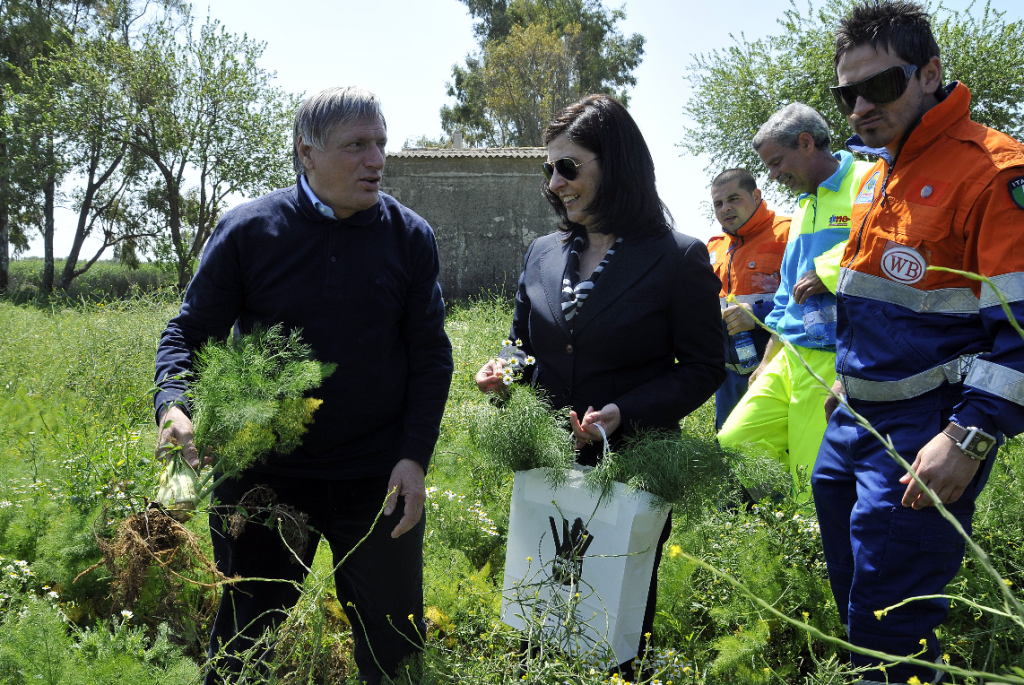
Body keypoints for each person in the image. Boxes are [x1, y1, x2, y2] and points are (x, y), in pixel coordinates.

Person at [152, 86, 454, 685]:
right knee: (243, 646)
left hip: (375, 480)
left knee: (393, 651)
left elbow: (430, 357)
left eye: (380, 145)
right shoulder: (249, 231)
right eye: (357, 146)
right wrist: (174, 404)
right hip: (264, 478)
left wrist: (413, 458)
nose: (376, 161)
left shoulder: (409, 236)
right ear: (306, 153)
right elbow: (188, 331)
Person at [475, 94, 725, 673]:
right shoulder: (542, 252)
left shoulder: (678, 258)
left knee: (614, 617)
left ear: (615, 165)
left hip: (630, 467)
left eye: (569, 167)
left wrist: (624, 412)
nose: (554, 183)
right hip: (543, 458)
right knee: (538, 608)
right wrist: (502, 371)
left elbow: (705, 368)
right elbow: (521, 344)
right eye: (548, 169)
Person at [813, 2, 1024, 682]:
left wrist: (971, 435)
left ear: (930, 73)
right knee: (856, 605)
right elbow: (885, 304)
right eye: (846, 94)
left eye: (879, 86)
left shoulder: (994, 172)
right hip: (853, 423)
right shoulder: (879, 172)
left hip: (924, 435)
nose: (859, 107)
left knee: (889, 624)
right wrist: (849, 379)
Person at [717, 103, 872, 482]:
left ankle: (807, 529)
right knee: (735, 440)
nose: (771, 176)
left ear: (806, 143)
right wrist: (770, 357)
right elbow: (787, 294)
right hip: (791, 352)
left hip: (835, 355)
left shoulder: (869, 181)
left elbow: (891, 244)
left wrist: (828, 270)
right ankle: (792, 517)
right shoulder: (804, 206)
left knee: (810, 474)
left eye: (776, 162)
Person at [707, 168, 790, 431]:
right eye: (718, 203)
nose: (725, 209)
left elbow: (807, 301)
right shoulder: (713, 247)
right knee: (729, 449)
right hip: (728, 374)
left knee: (775, 453)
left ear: (756, 195)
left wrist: (756, 315)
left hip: (776, 365)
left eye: (733, 199)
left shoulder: (788, 233)